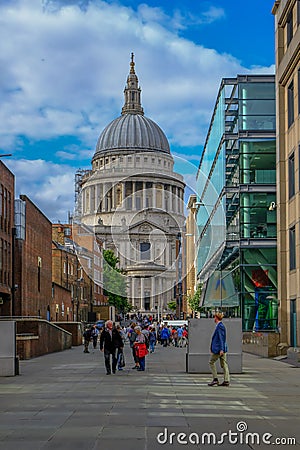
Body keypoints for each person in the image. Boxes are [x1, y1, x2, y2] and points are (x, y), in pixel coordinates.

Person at [208, 312, 230, 387]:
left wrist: (221, 349)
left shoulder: (220, 326)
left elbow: (221, 338)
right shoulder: (220, 326)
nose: (214, 319)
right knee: (224, 364)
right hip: (222, 348)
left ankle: (215, 379)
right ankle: (226, 380)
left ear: (216, 318)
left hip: (219, 349)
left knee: (211, 362)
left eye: (214, 317)